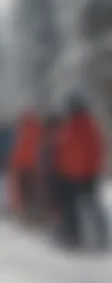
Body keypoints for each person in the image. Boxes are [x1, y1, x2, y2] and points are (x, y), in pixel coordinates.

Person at [55, 96, 109, 250]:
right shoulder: (74, 125)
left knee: (90, 207)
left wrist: (93, 170)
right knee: (75, 208)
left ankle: (99, 238)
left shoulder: (85, 125)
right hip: (73, 174)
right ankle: (75, 238)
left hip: (83, 175)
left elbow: (96, 151)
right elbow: (64, 151)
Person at [10, 111, 42, 223]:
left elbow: (18, 152)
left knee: (25, 195)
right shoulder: (38, 131)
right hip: (33, 168)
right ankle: (33, 216)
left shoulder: (23, 132)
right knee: (33, 194)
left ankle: (28, 217)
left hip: (25, 169)